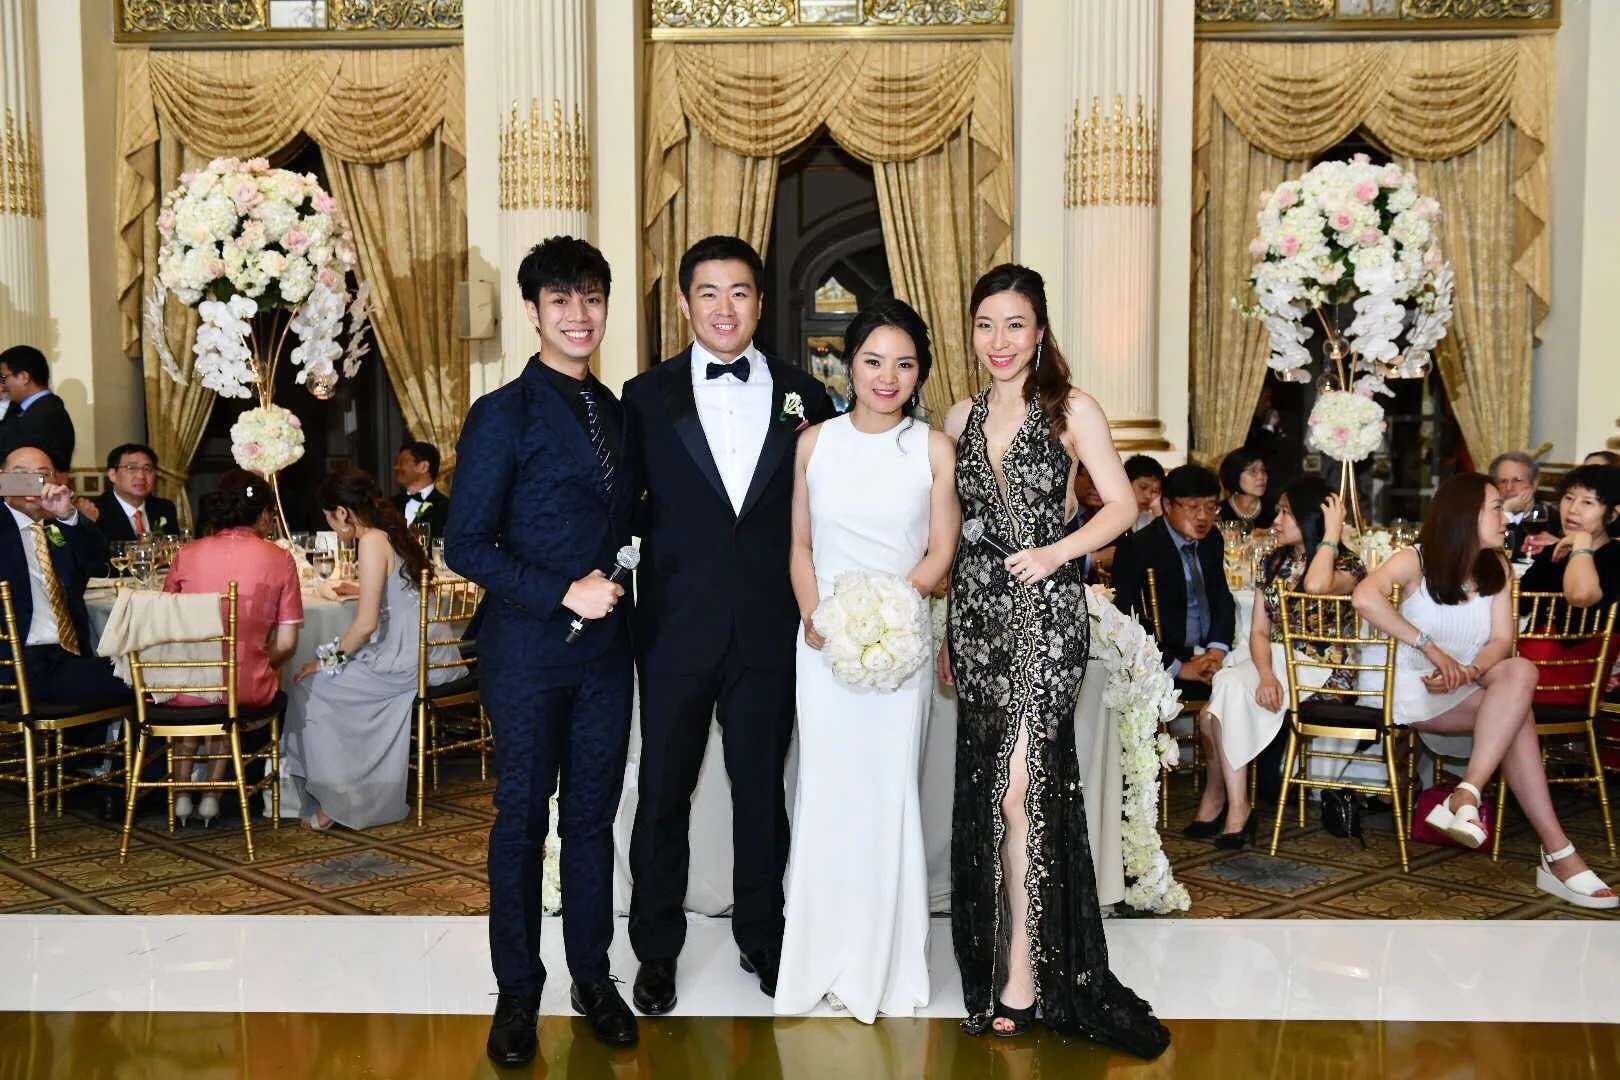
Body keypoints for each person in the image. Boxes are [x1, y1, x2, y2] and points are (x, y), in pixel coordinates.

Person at [941, 263, 1168, 1057]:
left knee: (1016, 796)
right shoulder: (959, 414)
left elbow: (1124, 504)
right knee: (995, 795)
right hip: (975, 621)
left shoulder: (1072, 409)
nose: (999, 341)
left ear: (1040, 332)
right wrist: (946, 630)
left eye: (1014, 325)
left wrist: (1055, 554)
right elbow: (954, 529)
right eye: (985, 325)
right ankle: (1014, 952)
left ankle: (1024, 972)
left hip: (1044, 619)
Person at [622, 235, 835, 1016]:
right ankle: (653, 951)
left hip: (769, 629)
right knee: (662, 797)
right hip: (675, 629)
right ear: (684, 303)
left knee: (760, 794)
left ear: (759, 302)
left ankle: (763, 935)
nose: (724, 308)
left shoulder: (805, 394)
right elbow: (621, 514)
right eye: (708, 293)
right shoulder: (643, 398)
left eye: (739, 292)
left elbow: (824, 518)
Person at [447, 237, 640, 1064]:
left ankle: (593, 978)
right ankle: (517, 992)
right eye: (560, 300)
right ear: (532, 312)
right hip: (527, 649)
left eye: (592, 298)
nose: (579, 315)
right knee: (523, 820)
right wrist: (563, 591)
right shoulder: (501, 414)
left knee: (593, 820)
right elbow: (465, 544)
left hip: (606, 658)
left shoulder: (621, 412)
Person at [776, 298, 959, 1024]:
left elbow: (939, 552)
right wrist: (820, 616)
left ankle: (884, 965)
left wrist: (886, 608)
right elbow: (799, 544)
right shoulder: (814, 443)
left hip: (897, 648)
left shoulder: (931, 449)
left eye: (905, 364)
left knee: (887, 798)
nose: (888, 376)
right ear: (847, 363)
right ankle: (817, 958)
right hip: (821, 646)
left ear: (920, 374)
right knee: (823, 792)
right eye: (874, 360)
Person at [1352, 473, 1617, 910]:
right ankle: (1557, 853)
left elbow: (1499, 643)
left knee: (1518, 671)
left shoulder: (1498, 569)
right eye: (1496, 507)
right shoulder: (1415, 560)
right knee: (1519, 716)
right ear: (1464, 514)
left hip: (1467, 688)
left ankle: (1469, 793)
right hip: (1412, 690)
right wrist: (1433, 651)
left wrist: (1468, 670)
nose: (1507, 517)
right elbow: (1364, 598)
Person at [283, 467, 462, 833]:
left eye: (330, 518)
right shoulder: (389, 532)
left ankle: (342, 799)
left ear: (343, 512)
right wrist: (363, 591)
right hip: (432, 647)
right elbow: (396, 594)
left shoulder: (370, 540)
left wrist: (325, 662)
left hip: (405, 656)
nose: (332, 527)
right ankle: (344, 790)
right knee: (319, 682)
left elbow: (364, 627)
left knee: (312, 686)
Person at [1189, 480, 1365, 846]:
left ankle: (1225, 801)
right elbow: (1257, 632)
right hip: (1275, 659)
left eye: (1286, 511)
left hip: (1323, 668)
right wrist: (1266, 675)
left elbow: (1315, 586)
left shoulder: (1348, 564)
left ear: (1309, 517)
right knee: (1223, 696)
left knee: (1218, 705)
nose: (1277, 519)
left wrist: (1331, 535)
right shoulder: (1272, 562)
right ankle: (1238, 807)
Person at [162, 469, 303, 824]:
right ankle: (211, 795)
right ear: (262, 515)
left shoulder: (187, 553)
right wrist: (257, 660)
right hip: (244, 687)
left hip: (183, 684)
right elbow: (286, 644)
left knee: (197, 686)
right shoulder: (280, 558)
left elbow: (163, 621)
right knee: (230, 687)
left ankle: (181, 796)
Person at [0, 447, 127, 706]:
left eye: (42, 475)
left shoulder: (59, 527)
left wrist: (68, 515)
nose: (33, 482)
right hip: (18, 663)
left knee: (143, 671)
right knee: (141, 677)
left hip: (67, 656)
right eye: (20, 474)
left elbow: (96, 562)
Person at [1112, 464, 1237, 702]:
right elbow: (1126, 619)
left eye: (1211, 507)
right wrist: (1179, 667)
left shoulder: (1212, 540)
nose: (1202, 516)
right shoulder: (1139, 547)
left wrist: (1217, 650)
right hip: (1164, 658)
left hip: (1209, 653)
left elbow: (1222, 598)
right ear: (1168, 505)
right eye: (1192, 507)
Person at [1519, 464, 1620, 609]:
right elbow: (1518, 603)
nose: (1572, 509)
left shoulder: (1615, 558)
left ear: (1611, 516)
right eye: (1569, 498)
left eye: (1587, 502)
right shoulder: (1554, 553)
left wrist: (1581, 542)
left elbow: (1581, 596)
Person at [0, 346, 75, 473]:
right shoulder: (23, 410)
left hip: (32, 490)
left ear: (24, 377)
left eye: (3, 377)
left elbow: (9, 456)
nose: (2, 384)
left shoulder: (46, 414)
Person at [92, 444, 181, 543]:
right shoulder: (95, 512)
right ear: (112, 475)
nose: (141, 476)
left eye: (147, 469)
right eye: (131, 468)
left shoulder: (165, 508)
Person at [1489, 451, 1559, 559]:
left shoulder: (1549, 516)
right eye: (1503, 481)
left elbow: (1520, 556)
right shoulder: (1487, 516)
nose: (1509, 488)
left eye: (1517, 480)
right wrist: (1506, 512)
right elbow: (1493, 554)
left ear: (1534, 484)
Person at [392, 441, 449, 540]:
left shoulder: (446, 508)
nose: (396, 467)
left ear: (423, 467)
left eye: (401, 463)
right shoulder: (390, 504)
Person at [1218, 447, 1275, 531]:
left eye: (1263, 470)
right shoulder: (1219, 512)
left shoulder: (1274, 509)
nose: (1261, 476)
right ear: (1235, 475)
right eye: (1253, 471)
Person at [1124, 454, 1165, 532]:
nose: (1148, 496)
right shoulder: (1111, 516)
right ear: (1127, 483)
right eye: (1143, 487)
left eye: (1155, 491)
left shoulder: (1151, 520)